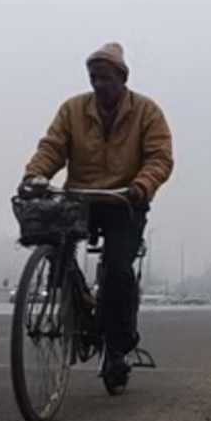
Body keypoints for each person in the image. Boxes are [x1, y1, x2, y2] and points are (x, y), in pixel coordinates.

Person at [21, 42, 174, 387]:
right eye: (93, 78)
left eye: (105, 78)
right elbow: (52, 147)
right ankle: (68, 294)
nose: (99, 84)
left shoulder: (147, 112)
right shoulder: (73, 110)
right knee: (52, 237)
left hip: (124, 201)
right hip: (81, 198)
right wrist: (35, 175)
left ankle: (118, 346)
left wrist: (142, 185)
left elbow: (160, 157)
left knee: (118, 269)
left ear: (122, 78)